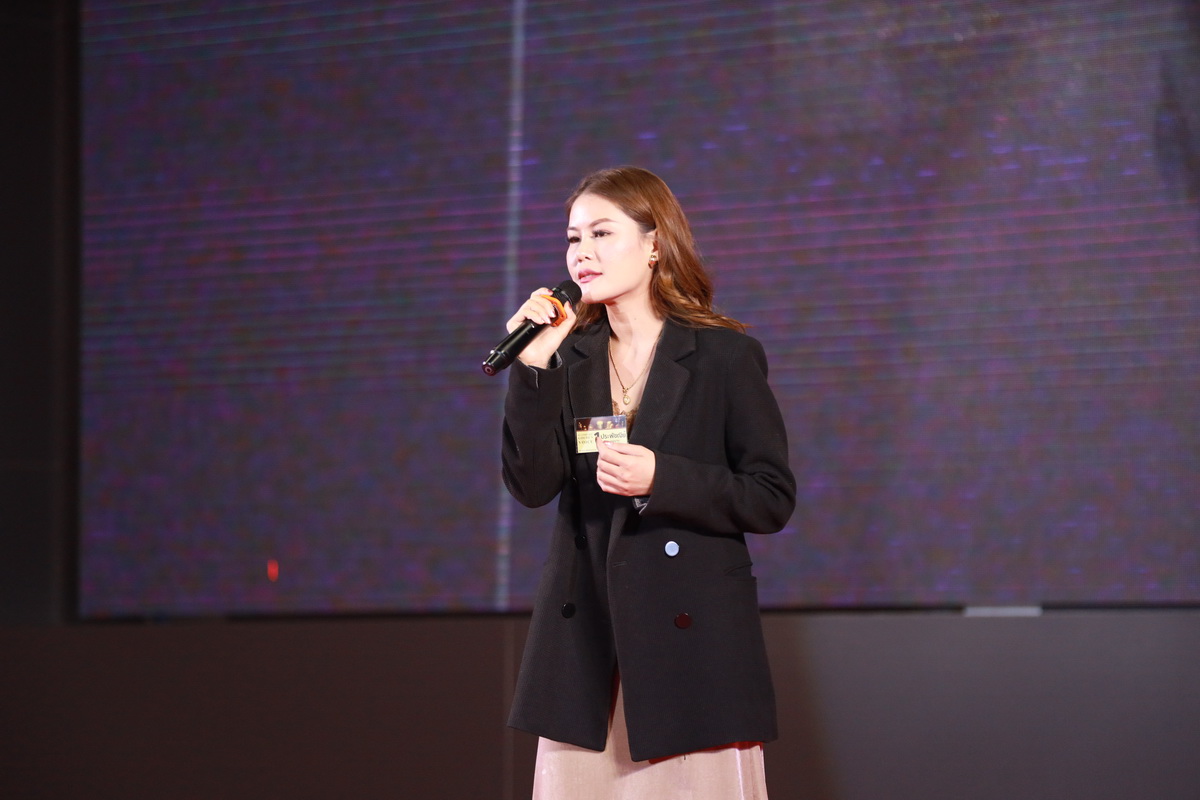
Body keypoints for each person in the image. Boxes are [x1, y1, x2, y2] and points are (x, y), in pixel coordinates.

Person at [501, 166, 796, 799]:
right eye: (573, 238)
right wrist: (534, 365)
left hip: (691, 646)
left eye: (602, 233)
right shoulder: (568, 355)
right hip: (587, 645)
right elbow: (532, 485)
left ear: (654, 243)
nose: (582, 253)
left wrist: (664, 478)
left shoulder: (722, 356)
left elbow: (770, 495)